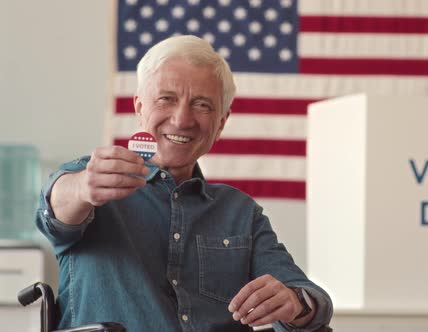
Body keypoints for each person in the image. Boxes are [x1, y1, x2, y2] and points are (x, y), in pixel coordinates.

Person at [36, 35, 332, 332]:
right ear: (139, 107)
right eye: (167, 99)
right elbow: (58, 205)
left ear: (221, 123)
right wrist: (82, 187)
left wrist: (295, 302)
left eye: (202, 105)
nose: (181, 119)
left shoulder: (241, 213)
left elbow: (308, 299)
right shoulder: (91, 181)